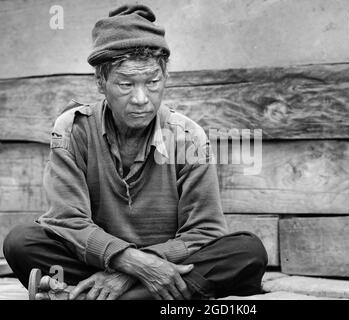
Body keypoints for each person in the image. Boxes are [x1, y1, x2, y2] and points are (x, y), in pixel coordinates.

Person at [3, 4, 267, 300]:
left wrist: (132, 271)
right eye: (126, 84)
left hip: (167, 262)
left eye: (152, 82)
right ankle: (141, 294)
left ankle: (92, 296)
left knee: (246, 251)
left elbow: (204, 231)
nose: (141, 99)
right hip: (101, 261)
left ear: (165, 77)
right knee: (22, 241)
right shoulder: (73, 130)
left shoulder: (188, 136)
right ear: (101, 82)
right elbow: (67, 221)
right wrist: (132, 263)